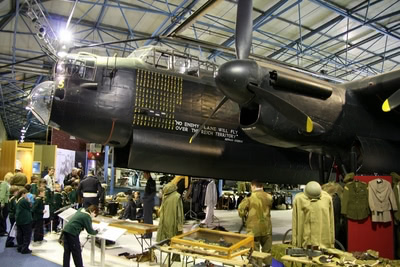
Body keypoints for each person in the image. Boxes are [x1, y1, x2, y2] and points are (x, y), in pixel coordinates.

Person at [238, 180, 273, 265]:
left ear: (253, 186)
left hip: (253, 230)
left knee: (254, 253)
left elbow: (241, 212)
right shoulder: (269, 197)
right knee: (267, 252)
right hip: (267, 228)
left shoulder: (249, 198)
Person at [156, 183, 184, 261]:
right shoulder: (174, 196)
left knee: (170, 240)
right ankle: (174, 259)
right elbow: (180, 212)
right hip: (170, 222)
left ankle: (171, 259)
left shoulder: (170, 196)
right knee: (174, 240)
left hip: (168, 222)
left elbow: (162, 210)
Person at [15, 188, 33, 254]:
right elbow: (30, 206)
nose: (27, 196)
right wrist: (29, 201)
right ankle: (25, 249)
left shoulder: (18, 200)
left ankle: (20, 247)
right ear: (23, 194)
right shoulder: (23, 201)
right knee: (27, 235)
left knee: (20, 234)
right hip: (25, 220)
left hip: (19, 219)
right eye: (26, 194)